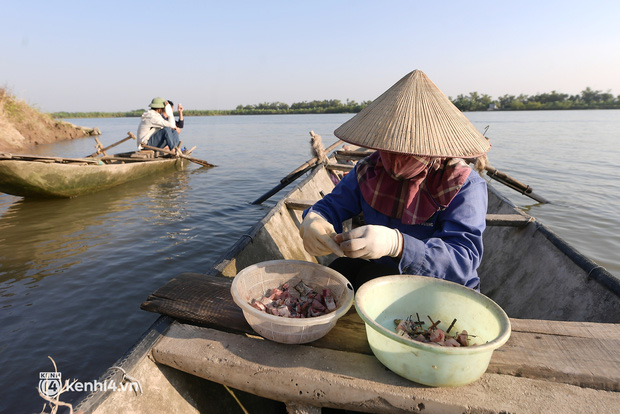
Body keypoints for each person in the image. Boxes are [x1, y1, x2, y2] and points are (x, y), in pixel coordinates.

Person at [299, 70, 491, 291]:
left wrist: (398, 245)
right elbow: (331, 206)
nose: (394, 159)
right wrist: (314, 219)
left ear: (433, 149)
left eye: (409, 150)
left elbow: (462, 261)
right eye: (389, 147)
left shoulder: (462, 184)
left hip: (441, 289)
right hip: (381, 278)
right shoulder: (370, 169)